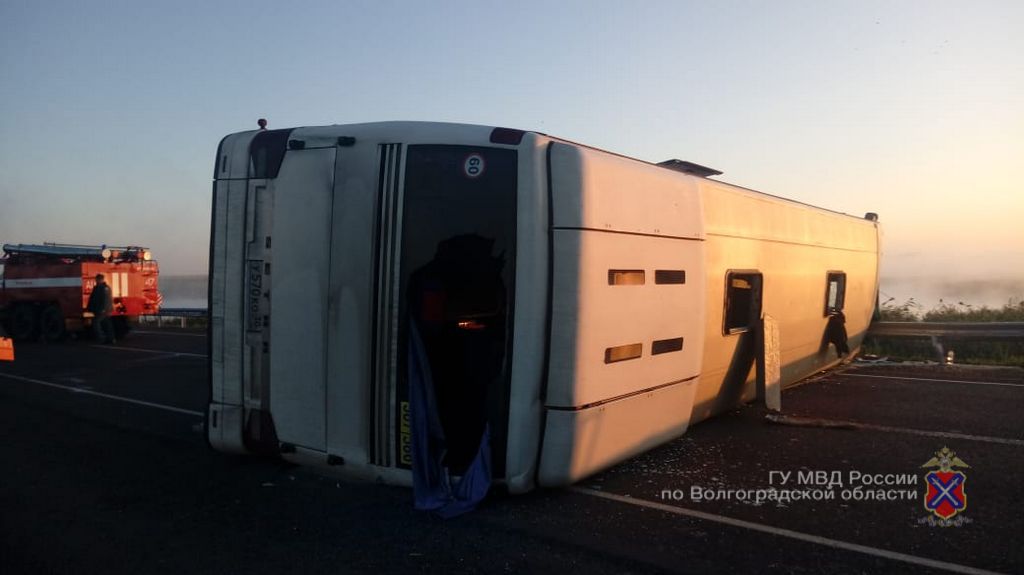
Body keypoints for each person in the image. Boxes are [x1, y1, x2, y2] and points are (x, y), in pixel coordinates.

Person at [87, 273, 115, 344]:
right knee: (107, 324)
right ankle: (110, 338)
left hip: (102, 310)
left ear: (99, 279)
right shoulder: (105, 287)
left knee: (96, 323)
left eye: (97, 279)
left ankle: (101, 338)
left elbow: (102, 299)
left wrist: (102, 309)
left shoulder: (100, 288)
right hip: (106, 309)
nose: (96, 281)